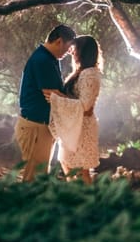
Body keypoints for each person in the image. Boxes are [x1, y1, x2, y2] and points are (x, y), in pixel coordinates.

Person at [14, 24, 76, 181]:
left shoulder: (50, 58)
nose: (68, 52)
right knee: (34, 177)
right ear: (59, 41)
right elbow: (51, 94)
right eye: (68, 47)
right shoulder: (43, 60)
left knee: (40, 176)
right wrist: (71, 100)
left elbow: (56, 94)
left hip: (41, 125)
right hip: (35, 126)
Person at [43, 35, 102, 183]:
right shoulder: (80, 72)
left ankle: (89, 203)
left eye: (75, 50)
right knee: (67, 164)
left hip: (82, 129)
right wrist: (59, 96)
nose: (72, 53)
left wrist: (57, 98)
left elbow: (85, 106)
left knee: (82, 170)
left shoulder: (90, 74)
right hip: (72, 126)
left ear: (84, 52)